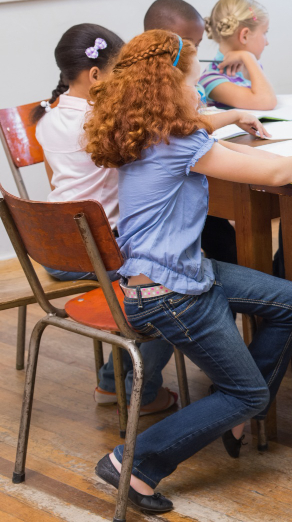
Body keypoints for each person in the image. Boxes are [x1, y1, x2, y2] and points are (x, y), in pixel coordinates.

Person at [85, 30, 292, 514]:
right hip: (171, 293)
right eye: (195, 83)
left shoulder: (151, 129)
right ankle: (133, 462)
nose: (200, 92)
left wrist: (265, 143)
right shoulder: (178, 140)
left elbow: (242, 153)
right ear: (170, 89)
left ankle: (233, 411)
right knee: (247, 393)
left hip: (172, 276)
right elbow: (271, 176)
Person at [33, 24, 176, 415]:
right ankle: (141, 393)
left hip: (54, 249)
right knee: (170, 286)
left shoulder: (47, 118)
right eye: (119, 73)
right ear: (95, 75)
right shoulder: (101, 122)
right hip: (95, 249)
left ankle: (112, 384)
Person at [144, 0, 246, 266]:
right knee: (223, 239)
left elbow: (191, 125)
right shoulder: (148, 100)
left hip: (178, 204)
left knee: (224, 239)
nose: (193, 54)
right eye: (187, 45)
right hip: (164, 225)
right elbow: (185, 132)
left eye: (197, 46)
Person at [200, 0, 277, 110]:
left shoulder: (250, 66)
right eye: (264, 33)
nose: (267, 42)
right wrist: (247, 56)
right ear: (245, 36)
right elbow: (267, 102)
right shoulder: (212, 79)